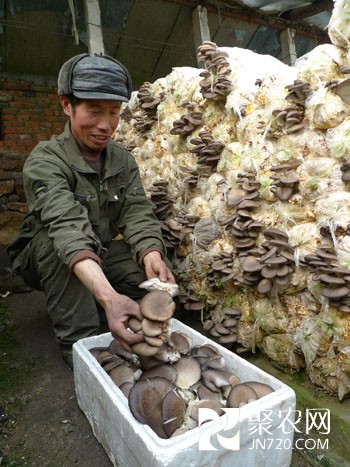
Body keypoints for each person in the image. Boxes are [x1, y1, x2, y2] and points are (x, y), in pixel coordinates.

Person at [7, 53, 175, 368]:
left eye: (114, 113)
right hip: (47, 256)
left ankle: (101, 306)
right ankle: (82, 348)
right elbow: (66, 228)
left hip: (100, 248)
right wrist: (109, 297)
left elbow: (136, 211)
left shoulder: (121, 160)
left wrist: (151, 252)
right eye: (94, 111)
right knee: (57, 245)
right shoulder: (45, 160)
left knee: (154, 273)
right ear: (67, 105)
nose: (105, 125)